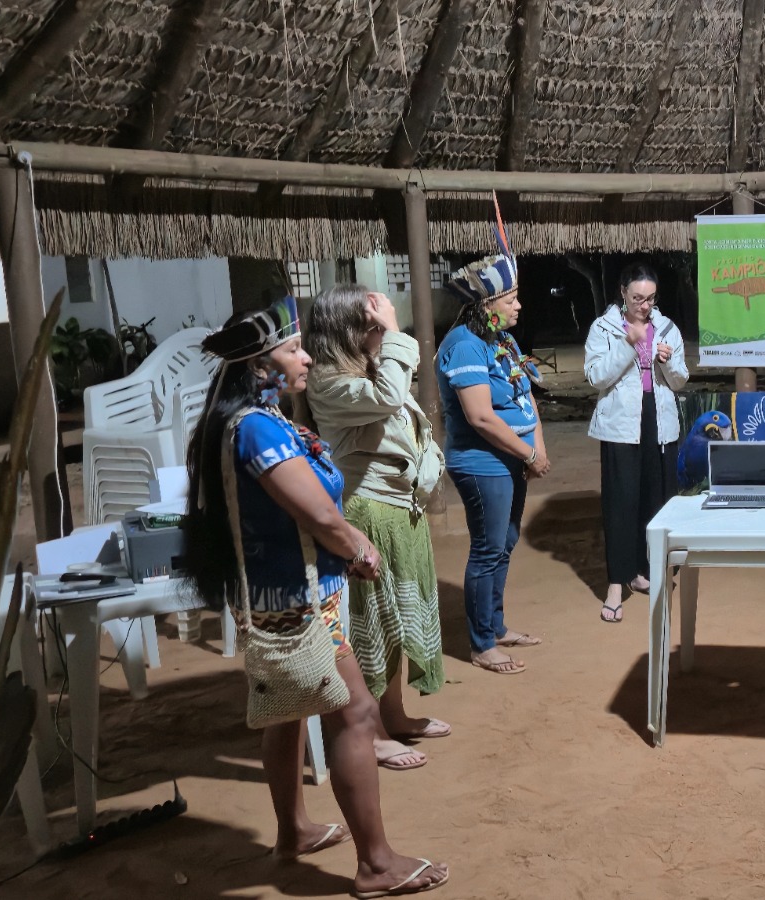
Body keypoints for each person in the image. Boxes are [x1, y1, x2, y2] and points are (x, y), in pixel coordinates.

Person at [182, 299, 448, 897]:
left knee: (289, 709)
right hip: (300, 603)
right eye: (292, 350)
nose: (304, 357)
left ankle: (292, 830)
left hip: (283, 593)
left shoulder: (250, 420)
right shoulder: (255, 428)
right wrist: (354, 545)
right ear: (259, 365)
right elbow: (319, 512)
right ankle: (376, 865)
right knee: (354, 715)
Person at [305, 285, 448, 771]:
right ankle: (376, 733)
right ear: (350, 329)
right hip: (368, 510)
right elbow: (389, 398)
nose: (379, 334)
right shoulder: (327, 380)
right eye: (372, 326)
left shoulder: (363, 368)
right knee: (373, 624)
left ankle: (396, 714)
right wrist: (396, 332)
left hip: (399, 506)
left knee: (399, 619)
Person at [437, 253, 548, 675]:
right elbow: (480, 417)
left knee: (504, 542)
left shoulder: (501, 339)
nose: (518, 306)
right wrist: (530, 454)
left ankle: (495, 626)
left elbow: (526, 396)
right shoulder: (464, 343)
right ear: (487, 305)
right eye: (511, 299)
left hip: (512, 459)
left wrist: (536, 443)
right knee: (487, 550)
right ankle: (482, 643)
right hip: (483, 463)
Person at [584, 261, 688, 622]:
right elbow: (596, 377)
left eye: (650, 298)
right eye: (638, 298)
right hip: (620, 424)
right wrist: (629, 344)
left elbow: (679, 381)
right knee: (620, 502)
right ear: (623, 295)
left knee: (656, 500)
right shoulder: (604, 327)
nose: (645, 306)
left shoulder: (667, 328)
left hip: (658, 421)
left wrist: (668, 362)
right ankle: (617, 582)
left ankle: (646, 571)